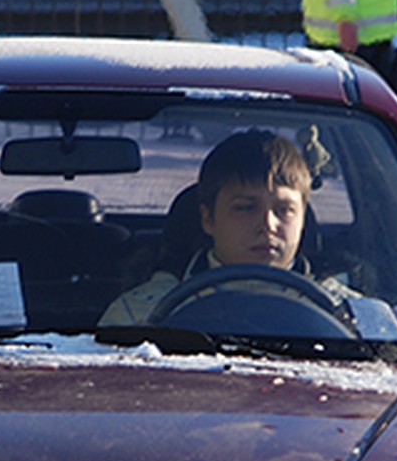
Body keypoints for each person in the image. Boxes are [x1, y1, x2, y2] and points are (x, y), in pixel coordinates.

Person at [100, 129, 319, 326]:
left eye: (284, 210)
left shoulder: (344, 315)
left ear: (303, 220)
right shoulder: (140, 314)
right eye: (245, 208)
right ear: (208, 219)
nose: (268, 225)